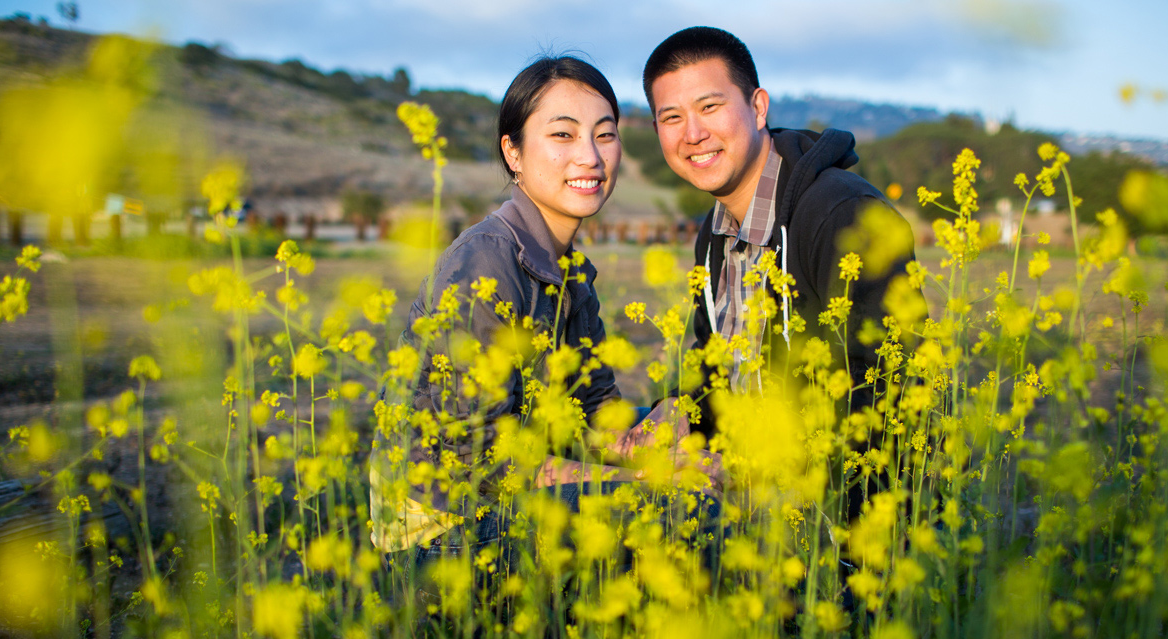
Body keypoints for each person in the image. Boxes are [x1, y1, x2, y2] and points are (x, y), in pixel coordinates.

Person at [371, 56, 708, 569]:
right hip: (446, 530)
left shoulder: (570, 270)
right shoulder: (485, 261)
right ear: (514, 153)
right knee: (676, 506)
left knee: (698, 438)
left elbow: (593, 409)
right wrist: (639, 480)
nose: (590, 157)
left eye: (605, 134)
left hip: (512, 492)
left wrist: (654, 435)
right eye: (563, 136)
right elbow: (480, 462)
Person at [641, 26, 916, 436]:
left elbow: (887, 391)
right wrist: (680, 409)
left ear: (757, 108)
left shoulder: (843, 216)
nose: (693, 134)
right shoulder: (714, 233)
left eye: (710, 107)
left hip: (822, 491)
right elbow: (720, 366)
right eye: (672, 117)